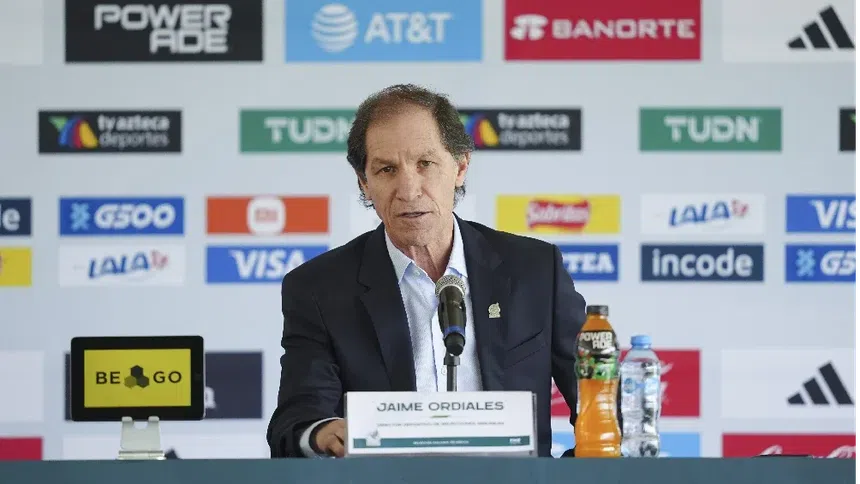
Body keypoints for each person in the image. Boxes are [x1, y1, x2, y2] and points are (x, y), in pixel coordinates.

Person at [266, 83, 588, 458]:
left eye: (425, 164)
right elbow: (295, 423)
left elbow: (599, 396)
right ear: (364, 183)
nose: (408, 190)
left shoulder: (535, 270)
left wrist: (565, 475)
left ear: (460, 167)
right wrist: (322, 433)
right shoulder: (319, 289)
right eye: (386, 169)